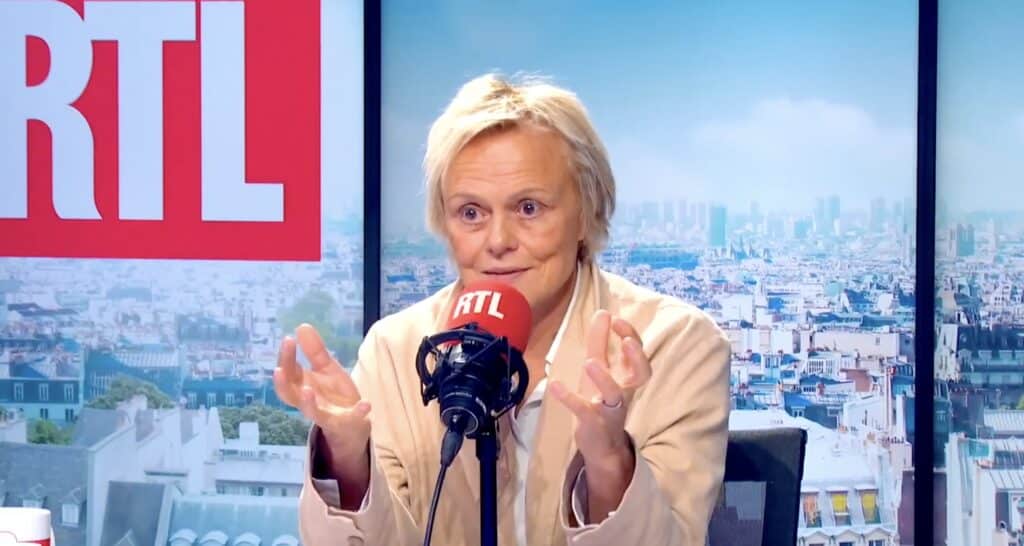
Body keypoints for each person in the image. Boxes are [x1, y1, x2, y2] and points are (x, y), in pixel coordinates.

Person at [275, 74, 731, 546]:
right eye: (471, 213)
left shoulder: (673, 345)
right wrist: (348, 459)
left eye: (528, 208)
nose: (497, 241)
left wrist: (610, 462)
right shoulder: (397, 351)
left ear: (586, 212)